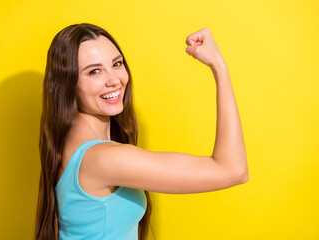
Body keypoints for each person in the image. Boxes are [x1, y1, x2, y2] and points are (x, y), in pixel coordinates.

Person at [35, 23, 249, 240]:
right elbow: (233, 170)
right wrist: (219, 66)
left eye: (117, 64)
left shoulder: (71, 141)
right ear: (69, 83)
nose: (114, 80)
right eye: (94, 71)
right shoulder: (103, 158)